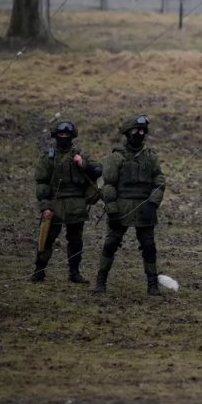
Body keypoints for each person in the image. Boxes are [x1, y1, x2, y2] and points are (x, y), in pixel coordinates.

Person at [93, 115, 166, 296]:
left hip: (144, 206)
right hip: (121, 205)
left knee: (149, 246)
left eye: (142, 131)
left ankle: (152, 284)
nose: (139, 134)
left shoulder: (150, 156)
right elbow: (108, 185)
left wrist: (153, 204)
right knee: (111, 243)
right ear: (127, 133)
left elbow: (159, 180)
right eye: (135, 131)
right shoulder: (116, 157)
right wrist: (112, 211)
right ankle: (101, 280)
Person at [31, 121, 102, 283]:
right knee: (46, 238)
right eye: (61, 135)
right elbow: (42, 184)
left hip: (76, 204)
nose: (64, 138)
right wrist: (45, 206)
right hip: (55, 203)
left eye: (67, 135)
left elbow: (98, 170)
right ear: (56, 137)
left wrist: (82, 163)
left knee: (76, 240)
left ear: (72, 137)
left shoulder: (80, 155)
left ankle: (74, 273)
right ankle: (39, 270)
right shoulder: (49, 158)